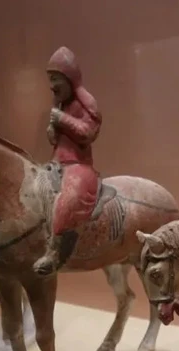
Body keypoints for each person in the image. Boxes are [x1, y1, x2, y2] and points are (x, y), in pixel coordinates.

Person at [33, 46, 102, 276]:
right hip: (56, 164)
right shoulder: (60, 105)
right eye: (50, 79)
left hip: (78, 166)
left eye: (56, 79)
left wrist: (61, 119)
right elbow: (55, 139)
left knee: (69, 197)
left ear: (70, 78)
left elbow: (88, 132)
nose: (52, 85)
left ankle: (54, 252)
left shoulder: (85, 103)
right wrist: (52, 128)